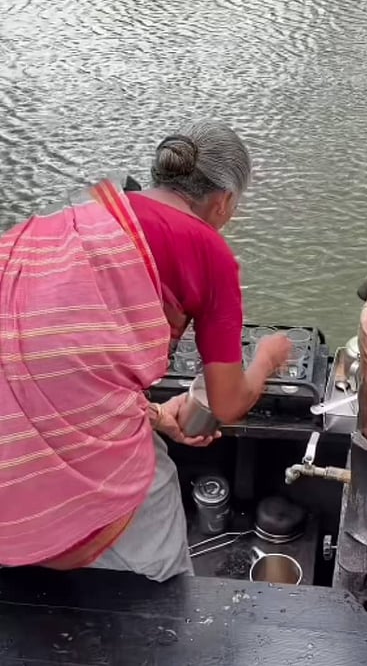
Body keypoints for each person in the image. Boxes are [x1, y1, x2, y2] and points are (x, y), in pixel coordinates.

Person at [0, 121, 292, 581]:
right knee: (158, 508)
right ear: (223, 201)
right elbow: (226, 403)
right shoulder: (206, 248)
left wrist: (153, 415)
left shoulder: (81, 215)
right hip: (61, 468)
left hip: (9, 450)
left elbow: (60, 352)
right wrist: (267, 359)